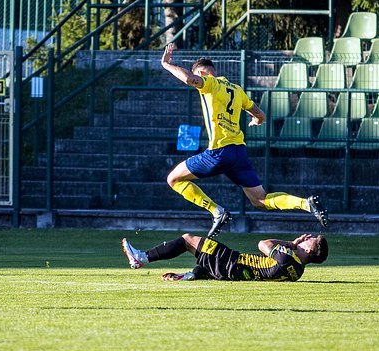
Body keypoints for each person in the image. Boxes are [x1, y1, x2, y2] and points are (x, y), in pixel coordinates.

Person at [160, 43, 328, 237]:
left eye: (199, 75)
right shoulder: (237, 90)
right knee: (260, 200)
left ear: (203, 73)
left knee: (173, 179)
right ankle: (305, 203)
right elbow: (260, 115)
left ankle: (217, 211)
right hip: (238, 153)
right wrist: (256, 121)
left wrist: (167, 64)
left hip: (218, 152)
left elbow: (189, 78)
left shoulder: (210, 84)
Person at [121, 232, 328, 282]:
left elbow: (263, 244)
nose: (305, 238)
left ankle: (141, 258)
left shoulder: (288, 257)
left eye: (309, 240)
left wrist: (290, 243)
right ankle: (192, 275)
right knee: (204, 259)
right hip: (232, 269)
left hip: (230, 262)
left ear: (310, 251)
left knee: (188, 240)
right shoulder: (298, 270)